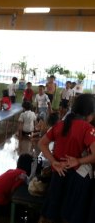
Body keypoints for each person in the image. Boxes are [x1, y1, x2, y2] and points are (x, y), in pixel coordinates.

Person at [38, 94, 95, 223]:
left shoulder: (60, 124)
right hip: (77, 179)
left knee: (52, 212)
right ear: (90, 114)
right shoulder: (88, 128)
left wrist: (53, 161)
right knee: (70, 215)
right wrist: (78, 160)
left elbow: (41, 143)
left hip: (59, 173)